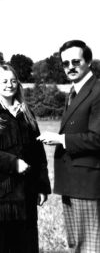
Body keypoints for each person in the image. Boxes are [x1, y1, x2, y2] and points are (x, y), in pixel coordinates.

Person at [0, 64, 51, 253]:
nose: (10, 85)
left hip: (26, 195)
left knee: (27, 246)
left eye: (13, 80)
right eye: (4, 81)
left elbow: (38, 153)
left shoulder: (27, 113)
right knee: (0, 247)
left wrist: (42, 186)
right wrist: (13, 163)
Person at [37, 40, 100, 252]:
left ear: (88, 61)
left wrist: (61, 139)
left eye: (76, 61)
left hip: (88, 183)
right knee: (77, 245)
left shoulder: (97, 91)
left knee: (89, 246)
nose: (70, 67)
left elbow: (98, 138)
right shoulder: (74, 92)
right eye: (65, 63)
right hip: (72, 182)